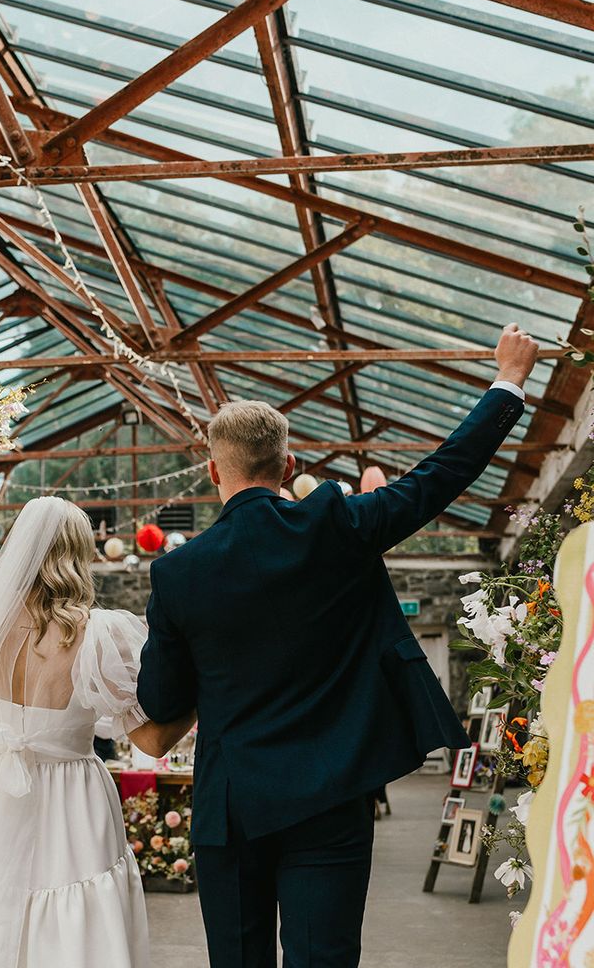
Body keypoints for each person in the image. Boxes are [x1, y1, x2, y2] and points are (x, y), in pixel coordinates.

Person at [136, 324, 539, 968]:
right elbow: (441, 476)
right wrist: (508, 383)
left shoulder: (178, 572)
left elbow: (158, 698)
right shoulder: (339, 525)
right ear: (288, 466)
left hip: (233, 806)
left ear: (213, 469)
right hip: (332, 796)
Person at [0, 458, 195, 967]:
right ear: (78, 555)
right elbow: (152, 743)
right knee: (77, 914)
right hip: (73, 800)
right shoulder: (97, 636)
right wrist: (204, 692)